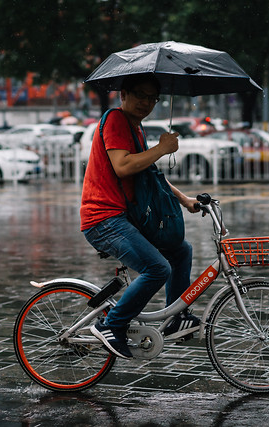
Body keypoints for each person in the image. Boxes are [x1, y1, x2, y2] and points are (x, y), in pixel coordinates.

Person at [80, 73, 200, 359]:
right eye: (140, 95)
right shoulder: (115, 120)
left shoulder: (136, 128)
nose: (146, 103)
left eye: (152, 98)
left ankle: (175, 319)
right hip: (104, 219)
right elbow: (122, 166)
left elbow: (149, 176)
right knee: (158, 268)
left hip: (125, 216)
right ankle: (112, 324)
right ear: (124, 94)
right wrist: (162, 149)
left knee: (181, 250)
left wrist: (184, 200)